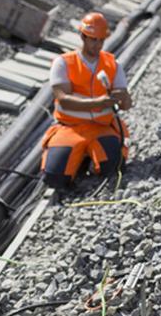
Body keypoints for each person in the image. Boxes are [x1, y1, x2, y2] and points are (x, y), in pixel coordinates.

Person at [40, 13, 132, 188]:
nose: (97, 45)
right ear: (82, 36)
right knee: (54, 178)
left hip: (101, 127)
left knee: (113, 168)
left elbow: (125, 102)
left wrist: (124, 99)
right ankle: (80, 158)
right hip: (69, 127)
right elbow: (64, 100)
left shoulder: (113, 64)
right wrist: (98, 103)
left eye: (100, 40)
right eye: (92, 39)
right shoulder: (64, 63)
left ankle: (88, 156)